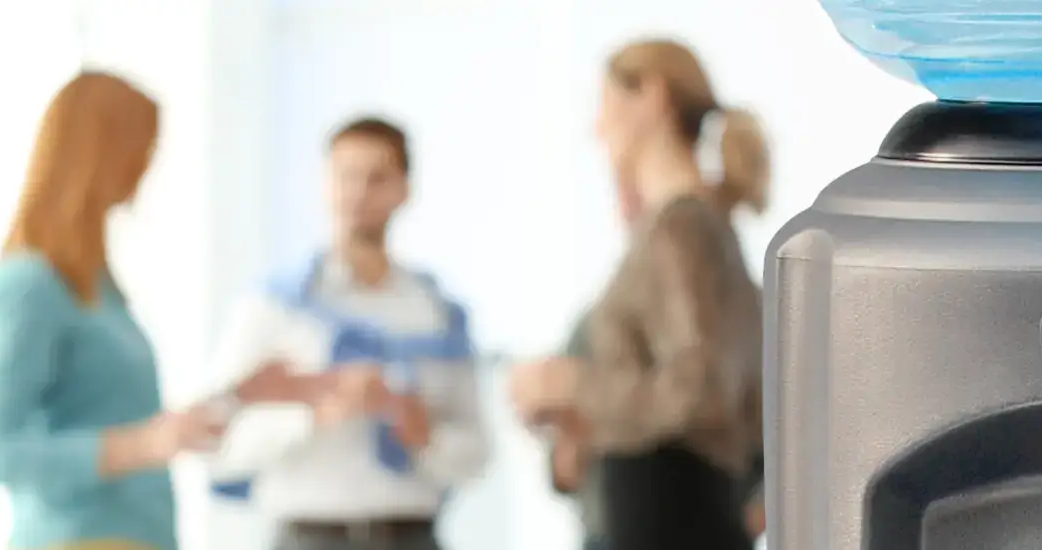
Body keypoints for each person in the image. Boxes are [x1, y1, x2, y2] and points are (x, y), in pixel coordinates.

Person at [509, 38, 769, 550]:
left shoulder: (682, 228)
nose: (596, 129)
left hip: (666, 518)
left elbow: (699, 390)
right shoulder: (698, 228)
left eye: (604, 106)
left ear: (651, 96)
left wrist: (570, 384)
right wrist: (586, 419)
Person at [194, 116, 491, 550]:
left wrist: (424, 434)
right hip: (307, 536)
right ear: (324, 184)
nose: (358, 194)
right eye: (345, 176)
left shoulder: (436, 314)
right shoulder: (274, 309)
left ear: (404, 190)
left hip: (410, 536)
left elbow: (478, 454)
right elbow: (214, 444)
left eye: (377, 178)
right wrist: (314, 410)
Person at [0, 71, 222, 550]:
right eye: (141, 147)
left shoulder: (96, 284)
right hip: (77, 537)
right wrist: (143, 445)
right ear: (102, 152)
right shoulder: (31, 284)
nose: (146, 166)